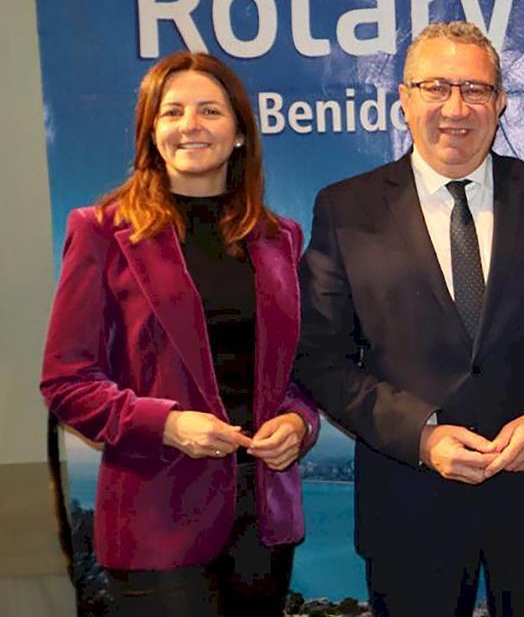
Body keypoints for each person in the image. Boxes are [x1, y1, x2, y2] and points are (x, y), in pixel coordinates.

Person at [293, 20, 524, 616]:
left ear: (501, 101)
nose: (456, 108)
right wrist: (420, 435)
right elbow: (319, 356)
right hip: (408, 500)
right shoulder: (346, 207)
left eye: (475, 89)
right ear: (404, 98)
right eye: (436, 87)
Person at [40, 52, 319, 616]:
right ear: (152, 132)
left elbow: (302, 371)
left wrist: (299, 423)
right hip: (156, 521)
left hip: (263, 525)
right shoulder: (100, 231)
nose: (191, 124)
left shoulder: (280, 239)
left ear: (239, 133)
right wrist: (167, 425)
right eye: (172, 112)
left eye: (210, 110)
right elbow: (66, 382)